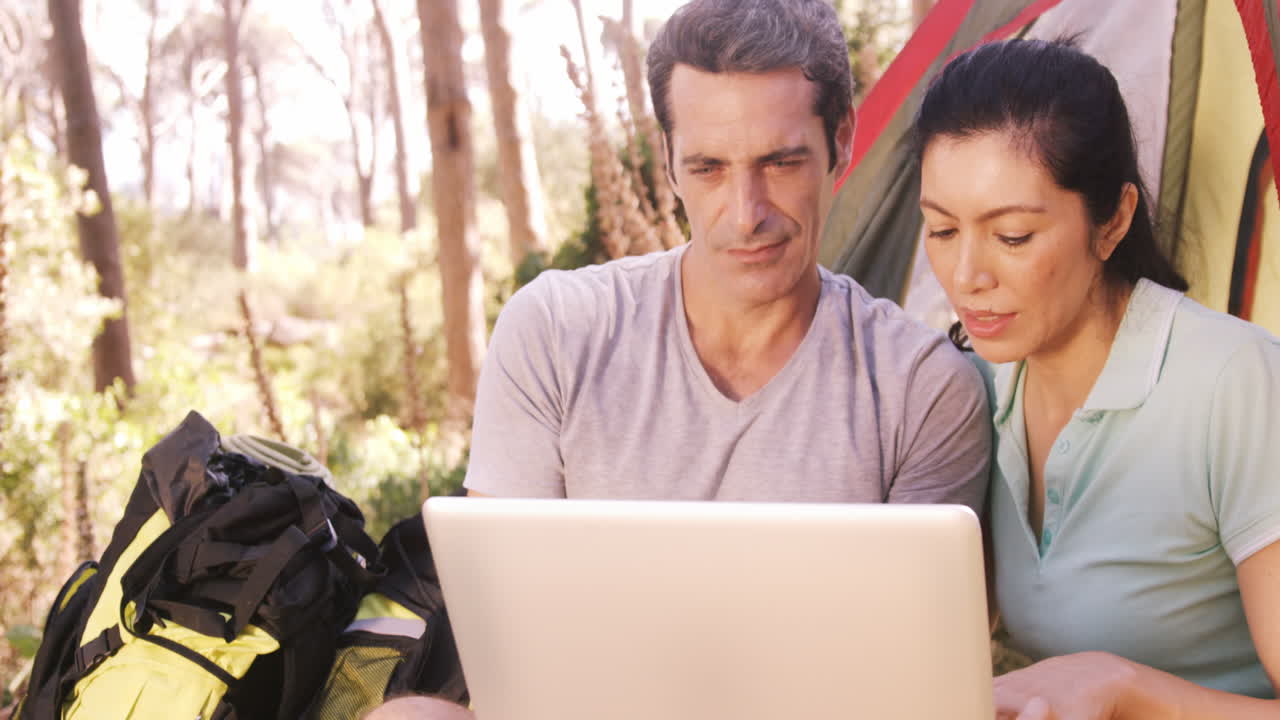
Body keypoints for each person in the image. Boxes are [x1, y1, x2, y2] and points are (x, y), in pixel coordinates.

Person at [463, 0, 990, 516]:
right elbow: (503, 597)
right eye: (709, 168)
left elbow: (910, 607)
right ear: (669, 161)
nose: (746, 215)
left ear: (842, 141)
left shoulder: (922, 391)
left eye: (781, 163)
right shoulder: (554, 334)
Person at [915, 38, 1280, 718]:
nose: (967, 277)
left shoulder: (1234, 385)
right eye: (941, 230)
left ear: (1111, 221)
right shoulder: (970, 388)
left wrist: (1129, 688)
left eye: (1013, 236)